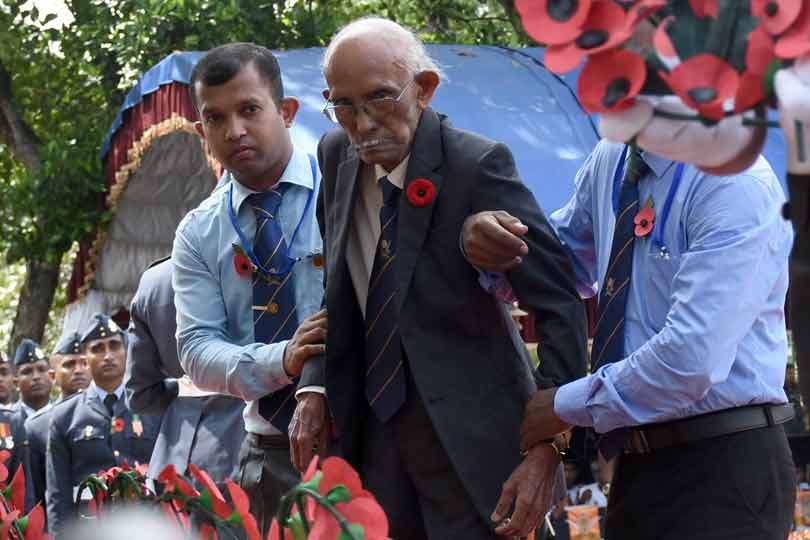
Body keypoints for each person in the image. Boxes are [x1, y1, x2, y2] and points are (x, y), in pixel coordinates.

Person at [294, 17, 587, 539]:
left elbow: (558, 303)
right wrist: (312, 388)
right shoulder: (335, 155)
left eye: (379, 99)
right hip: (373, 443)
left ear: (424, 88)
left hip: (476, 451)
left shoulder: (477, 165)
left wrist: (547, 448)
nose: (361, 124)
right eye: (343, 105)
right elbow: (338, 292)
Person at [462, 141, 796, 539]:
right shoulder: (614, 156)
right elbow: (561, 265)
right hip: (635, 464)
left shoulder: (733, 181)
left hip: (725, 462)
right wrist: (490, 247)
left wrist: (565, 405)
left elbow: (690, 361)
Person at [173, 42, 327, 534]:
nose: (234, 130)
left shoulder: (346, 190)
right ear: (203, 133)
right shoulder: (198, 233)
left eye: (249, 110)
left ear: (286, 111)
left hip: (366, 439)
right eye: (215, 119)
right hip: (269, 457)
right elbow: (195, 349)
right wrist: (283, 360)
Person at [125, 257, 246, 485]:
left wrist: (186, 385)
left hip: (172, 458)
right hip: (243, 448)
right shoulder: (255, 260)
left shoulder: (154, 279)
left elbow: (140, 395)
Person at [46, 314, 161, 536]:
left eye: (114, 346)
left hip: (148, 524)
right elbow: (57, 495)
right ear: (85, 359)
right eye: (97, 348)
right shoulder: (64, 416)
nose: (108, 355)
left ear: (126, 352)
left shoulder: (152, 403)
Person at [25, 332, 90, 512]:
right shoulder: (36, 426)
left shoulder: (109, 412)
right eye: (69, 364)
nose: (78, 370)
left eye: (84, 363)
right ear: (53, 377)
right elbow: (36, 494)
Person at [12, 339, 53, 422]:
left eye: (41, 369)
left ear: (52, 377)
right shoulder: (6, 420)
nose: (36, 377)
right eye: (27, 372)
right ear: (16, 383)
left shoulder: (66, 415)